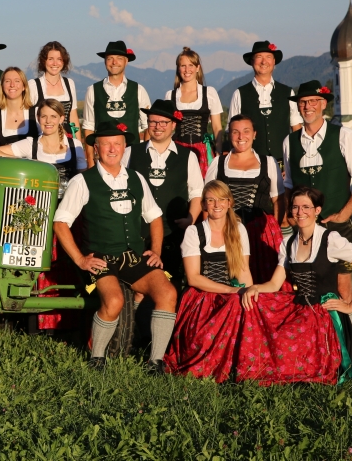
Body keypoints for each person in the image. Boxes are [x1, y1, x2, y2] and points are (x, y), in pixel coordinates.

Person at [53, 121, 177, 374]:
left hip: (133, 256)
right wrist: (80, 259)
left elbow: (154, 217)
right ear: (96, 148)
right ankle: (97, 358)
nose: (112, 149)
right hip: (101, 257)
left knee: (168, 293)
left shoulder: (136, 178)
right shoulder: (82, 181)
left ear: (124, 147)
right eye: (106, 144)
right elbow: (60, 223)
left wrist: (156, 250)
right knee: (114, 300)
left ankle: (155, 362)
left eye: (117, 144)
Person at [239, 187, 352, 385]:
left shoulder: (331, 240)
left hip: (325, 313)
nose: (300, 212)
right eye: (295, 207)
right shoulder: (288, 243)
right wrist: (255, 288)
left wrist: (351, 305)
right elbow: (274, 284)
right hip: (300, 308)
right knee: (272, 330)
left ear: (317, 210)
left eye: (306, 207)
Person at [0, 98, 87, 333]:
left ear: (62, 118)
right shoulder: (30, 145)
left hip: (69, 214)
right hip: (37, 215)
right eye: (43, 116)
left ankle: (67, 322)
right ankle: (33, 321)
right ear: (38, 119)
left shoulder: (75, 146)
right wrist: (24, 163)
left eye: (53, 116)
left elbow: (83, 179)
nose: (48, 121)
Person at [283, 80, 352, 333]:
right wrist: (291, 215)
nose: (307, 106)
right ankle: (318, 342)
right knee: (308, 288)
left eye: (313, 101)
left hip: (337, 225)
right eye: (303, 102)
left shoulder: (343, 135)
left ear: (323, 104)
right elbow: (288, 184)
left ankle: (351, 345)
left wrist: (343, 215)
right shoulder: (289, 142)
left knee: (343, 289)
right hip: (305, 228)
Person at [163, 180, 251, 381]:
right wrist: (231, 291)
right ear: (203, 205)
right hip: (202, 296)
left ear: (229, 203)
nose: (216, 205)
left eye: (221, 199)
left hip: (232, 294)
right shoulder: (194, 232)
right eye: (211, 200)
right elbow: (194, 278)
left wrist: (247, 294)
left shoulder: (239, 230)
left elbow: (243, 272)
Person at [128, 99, 204, 284]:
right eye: (153, 122)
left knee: (172, 283)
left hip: (173, 234)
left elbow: (196, 192)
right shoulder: (130, 152)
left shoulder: (188, 156)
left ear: (173, 125)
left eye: (163, 122)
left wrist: (190, 219)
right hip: (137, 232)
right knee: (136, 282)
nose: (157, 127)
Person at [206, 114, 285, 284]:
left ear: (254, 134)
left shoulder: (269, 162)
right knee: (230, 280)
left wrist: (275, 231)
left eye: (246, 131)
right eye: (235, 132)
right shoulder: (218, 163)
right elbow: (208, 201)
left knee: (264, 280)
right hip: (228, 230)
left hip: (261, 232)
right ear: (229, 135)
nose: (241, 137)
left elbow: (278, 200)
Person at [228, 40, 302, 166]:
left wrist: (296, 161)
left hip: (283, 163)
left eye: (268, 57)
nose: (264, 62)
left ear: (274, 62)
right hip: (251, 164)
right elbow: (232, 132)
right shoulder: (239, 94)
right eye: (259, 57)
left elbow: (296, 129)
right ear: (252, 62)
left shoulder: (287, 92)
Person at [82, 41, 151, 167]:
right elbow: (89, 127)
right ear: (105, 62)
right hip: (103, 158)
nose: (114, 62)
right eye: (110, 58)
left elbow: (148, 127)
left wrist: (143, 157)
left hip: (133, 157)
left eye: (119, 58)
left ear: (126, 61)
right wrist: (91, 162)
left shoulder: (139, 90)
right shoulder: (92, 90)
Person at [164, 47, 223, 173]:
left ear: (197, 68)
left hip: (202, 150)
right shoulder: (170, 95)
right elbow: (167, 127)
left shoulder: (209, 93)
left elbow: (217, 127)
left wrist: (218, 151)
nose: (187, 70)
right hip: (178, 148)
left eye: (191, 65)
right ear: (178, 68)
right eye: (183, 66)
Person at [28, 41, 81, 135]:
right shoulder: (33, 85)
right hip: (41, 139)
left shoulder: (69, 83)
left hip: (66, 140)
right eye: (50, 59)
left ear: (64, 61)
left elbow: (73, 117)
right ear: (44, 61)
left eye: (59, 59)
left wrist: (78, 143)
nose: (55, 63)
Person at [0, 67, 37, 149]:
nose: (12, 85)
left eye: (17, 81)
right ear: (2, 86)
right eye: (7, 81)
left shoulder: (37, 113)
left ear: (24, 86)